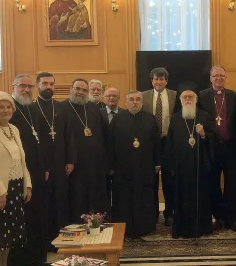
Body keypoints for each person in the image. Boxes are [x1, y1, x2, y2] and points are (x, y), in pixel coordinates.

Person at [0, 91, 32, 266]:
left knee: (9, 236)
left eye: (8, 106)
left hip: (16, 188)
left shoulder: (14, 129)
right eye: (0, 107)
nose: (5, 110)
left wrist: (27, 185)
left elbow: (21, 159)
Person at [197, 66, 236, 233]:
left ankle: (232, 219)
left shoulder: (233, 96)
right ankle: (218, 218)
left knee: (231, 185)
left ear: (226, 78)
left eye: (222, 76)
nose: (219, 79)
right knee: (213, 184)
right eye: (216, 76)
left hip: (230, 147)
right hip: (211, 147)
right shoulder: (202, 96)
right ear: (210, 78)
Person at [7, 74, 50, 266]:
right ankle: (21, 259)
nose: (26, 90)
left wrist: (45, 166)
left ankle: (38, 255)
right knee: (23, 215)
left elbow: (42, 140)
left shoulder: (33, 109)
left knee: (38, 213)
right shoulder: (9, 111)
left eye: (29, 86)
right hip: (17, 173)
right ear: (13, 87)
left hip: (38, 172)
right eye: (22, 86)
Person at [109, 90, 161, 237]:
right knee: (124, 197)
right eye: (131, 99)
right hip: (122, 168)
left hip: (145, 166)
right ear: (125, 103)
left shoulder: (150, 119)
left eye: (138, 99)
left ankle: (145, 226)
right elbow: (110, 144)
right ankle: (124, 228)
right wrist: (111, 166)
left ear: (142, 102)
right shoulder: (118, 119)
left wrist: (158, 162)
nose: (135, 102)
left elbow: (157, 142)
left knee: (144, 197)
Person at [165, 90, 215, 238]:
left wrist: (204, 134)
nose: (187, 99)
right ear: (180, 100)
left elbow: (215, 137)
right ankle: (183, 228)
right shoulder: (175, 118)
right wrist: (171, 166)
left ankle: (202, 228)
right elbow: (169, 144)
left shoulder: (204, 116)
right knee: (182, 196)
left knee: (202, 196)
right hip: (181, 167)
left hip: (200, 166)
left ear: (196, 99)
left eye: (190, 97)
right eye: (185, 97)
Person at [35, 72, 77, 243]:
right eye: (45, 83)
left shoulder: (61, 108)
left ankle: (60, 239)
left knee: (60, 201)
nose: (48, 87)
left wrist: (70, 160)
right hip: (41, 164)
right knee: (44, 202)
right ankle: (44, 240)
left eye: (51, 84)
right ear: (38, 85)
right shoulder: (31, 108)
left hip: (60, 163)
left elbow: (69, 135)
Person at [63, 78, 110, 222]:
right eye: (77, 88)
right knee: (77, 196)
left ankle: (96, 222)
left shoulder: (93, 108)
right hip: (74, 164)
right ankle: (77, 223)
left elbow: (104, 134)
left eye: (84, 90)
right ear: (71, 89)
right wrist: (68, 160)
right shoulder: (62, 108)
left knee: (95, 195)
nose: (81, 92)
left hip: (95, 163)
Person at [141, 67, 177, 226]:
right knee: (151, 180)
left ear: (166, 81)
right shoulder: (143, 96)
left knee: (169, 180)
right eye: (156, 79)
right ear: (151, 80)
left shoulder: (174, 95)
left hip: (169, 142)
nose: (159, 82)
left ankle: (169, 213)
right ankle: (152, 214)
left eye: (162, 79)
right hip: (150, 143)